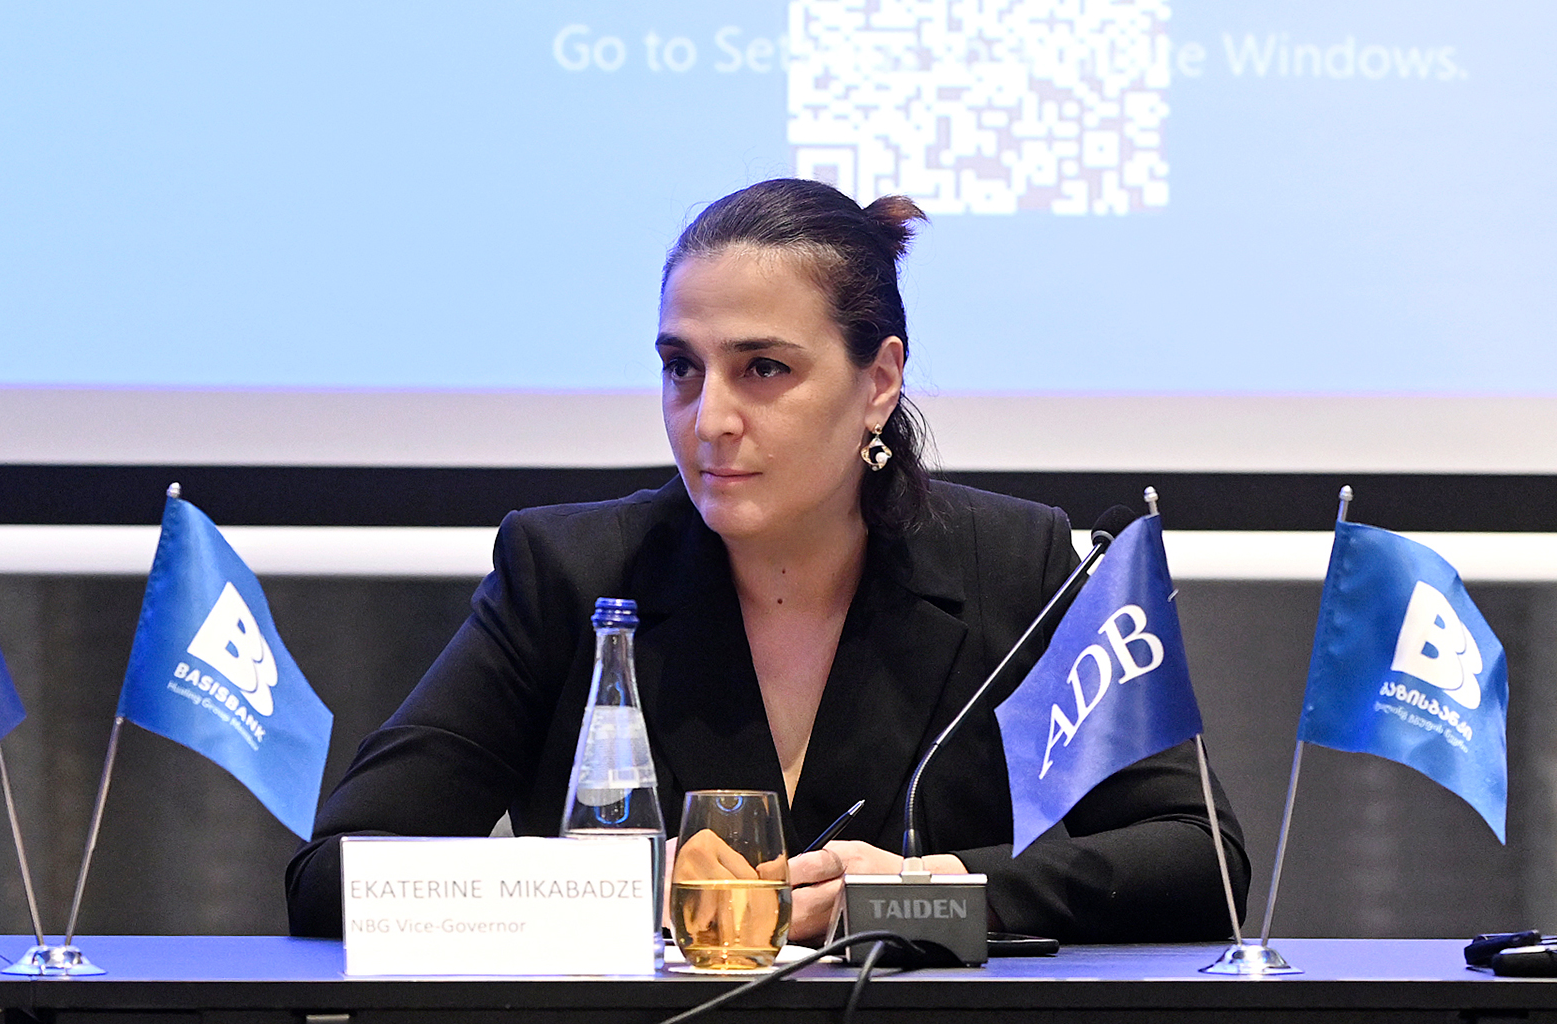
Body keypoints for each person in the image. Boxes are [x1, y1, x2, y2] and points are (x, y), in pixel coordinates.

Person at [286, 178, 1249, 942]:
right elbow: (334, 875)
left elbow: (1201, 860)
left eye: (763, 369)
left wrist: (928, 890)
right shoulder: (571, 574)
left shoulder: (1016, 565)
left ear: (879, 381)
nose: (708, 418)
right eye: (681, 368)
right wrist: (631, 890)